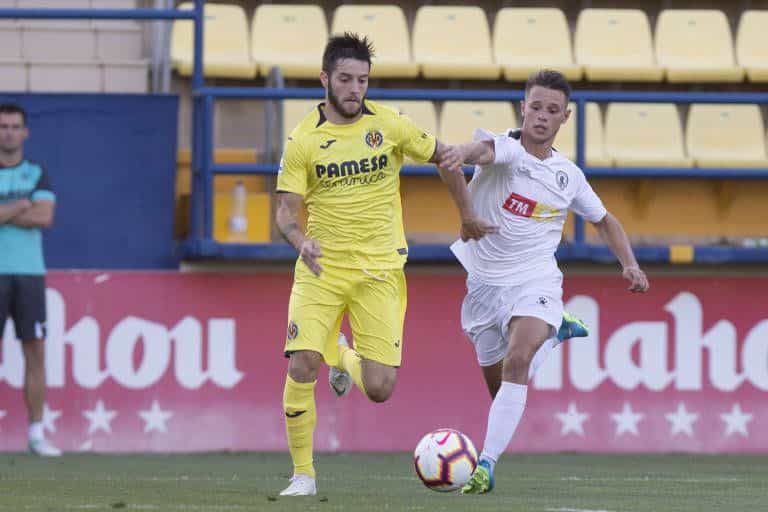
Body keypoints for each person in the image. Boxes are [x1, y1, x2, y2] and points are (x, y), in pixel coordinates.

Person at [436, 70, 649, 494]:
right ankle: (556, 336)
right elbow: (474, 152)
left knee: (517, 361)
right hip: (483, 287)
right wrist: (460, 159)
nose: (542, 116)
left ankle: (485, 465)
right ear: (523, 107)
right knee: (501, 386)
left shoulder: (568, 175)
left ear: (565, 117)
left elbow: (604, 220)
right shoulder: (507, 149)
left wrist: (630, 263)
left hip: (536, 280)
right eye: (536, 107)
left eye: (552, 110)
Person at [0, 103, 59, 457]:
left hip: (28, 275)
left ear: (25, 132)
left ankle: (37, 434)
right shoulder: (27, 189)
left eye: (14, 126)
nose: (7, 132)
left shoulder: (38, 173)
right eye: (2, 126)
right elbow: (31, 211)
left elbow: (45, 216)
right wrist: (20, 207)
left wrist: (6, 214)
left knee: (34, 353)